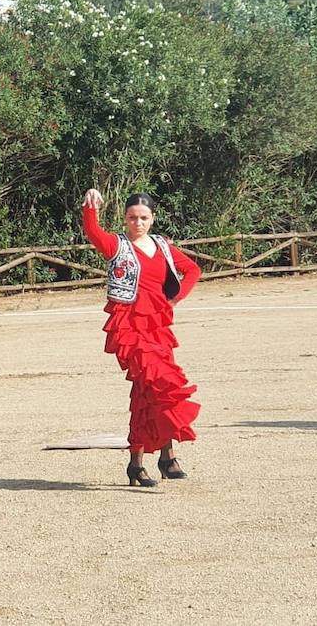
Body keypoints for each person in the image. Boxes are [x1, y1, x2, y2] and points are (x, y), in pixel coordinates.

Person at [81, 189, 202, 487]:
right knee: (157, 387)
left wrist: (174, 301)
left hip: (159, 328)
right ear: (125, 219)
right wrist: (90, 207)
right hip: (131, 329)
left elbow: (193, 270)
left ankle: (150, 460)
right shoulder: (117, 245)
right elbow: (93, 231)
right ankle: (162, 458)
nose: (138, 223)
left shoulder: (162, 245)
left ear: (153, 219)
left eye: (144, 218)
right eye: (133, 218)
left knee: (150, 394)